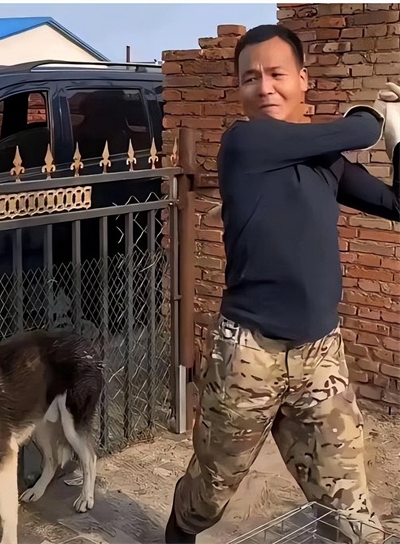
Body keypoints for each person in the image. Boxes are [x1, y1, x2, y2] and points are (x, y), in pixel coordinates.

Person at [164, 24, 400, 544]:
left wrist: (399, 140)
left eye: (277, 74)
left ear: (303, 80)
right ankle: (180, 530)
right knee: (209, 493)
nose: (265, 87)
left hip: (321, 357)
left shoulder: (325, 161)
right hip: (247, 354)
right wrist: (373, 117)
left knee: (354, 518)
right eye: (250, 78)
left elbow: (396, 204)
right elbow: (359, 129)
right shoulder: (244, 141)